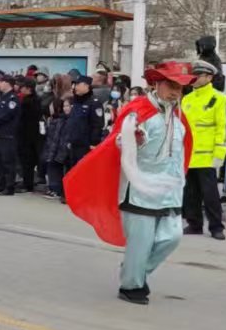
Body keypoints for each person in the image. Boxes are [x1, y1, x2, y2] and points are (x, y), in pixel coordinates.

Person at [64, 61, 196, 305]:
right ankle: (132, 285)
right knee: (141, 242)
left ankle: (135, 271)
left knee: (172, 237)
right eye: (171, 84)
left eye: (181, 86)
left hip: (170, 189)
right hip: (139, 189)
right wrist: (133, 138)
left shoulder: (179, 115)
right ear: (157, 83)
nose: (176, 91)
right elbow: (118, 142)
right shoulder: (139, 110)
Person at [180, 59, 226, 239]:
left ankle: (216, 227)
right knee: (190, 192)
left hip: (207, 155)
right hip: (188, 154)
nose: (193, 78)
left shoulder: (218, 98)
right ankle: (194, 224)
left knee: (210, 195)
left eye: (198, 75)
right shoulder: (187, 99)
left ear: (209, 77)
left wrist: (220, 153)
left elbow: (224, 127)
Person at [0, 73, 22, 195]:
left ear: (7, 83)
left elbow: (7, 115)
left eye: (1, 82)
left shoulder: (13, 99)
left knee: (8, 162)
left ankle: (9, 186)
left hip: (8, 135)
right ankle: (0, 185)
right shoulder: (2, 97)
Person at [15, 73, 44, 194]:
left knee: (28, 161)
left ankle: (28, 184)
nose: (21, 89)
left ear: (29, 89)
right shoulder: (25, 100)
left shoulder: (31, 102)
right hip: (24, 135)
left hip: (29, 136)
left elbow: (28, 121)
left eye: (23, 87)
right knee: (25, 161)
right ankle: (26, 182)